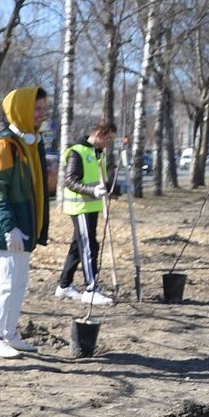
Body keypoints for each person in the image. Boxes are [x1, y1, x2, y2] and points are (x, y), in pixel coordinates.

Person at [0, 86, 51, 358]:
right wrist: (10, 226)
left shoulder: (31, 142)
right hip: (10, 227)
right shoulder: (4, 144)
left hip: (24, 226)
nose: (42, 114)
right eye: (37, 108)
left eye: (44, 108)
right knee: (5, 281)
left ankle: (9, 334)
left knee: (18, 282)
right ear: (21, 109)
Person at [54, 120, 119, 305]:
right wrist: (92, 191)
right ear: (99, 134)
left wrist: (116, 189)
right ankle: (91, 288)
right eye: (108, 138)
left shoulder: (97, 153)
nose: (109, 143)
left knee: (77, 247)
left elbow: (100, 180)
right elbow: (70, 180)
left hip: (91, 207)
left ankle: (64, 286)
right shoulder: (78, 151)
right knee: (89, 246)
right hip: (80, 207)